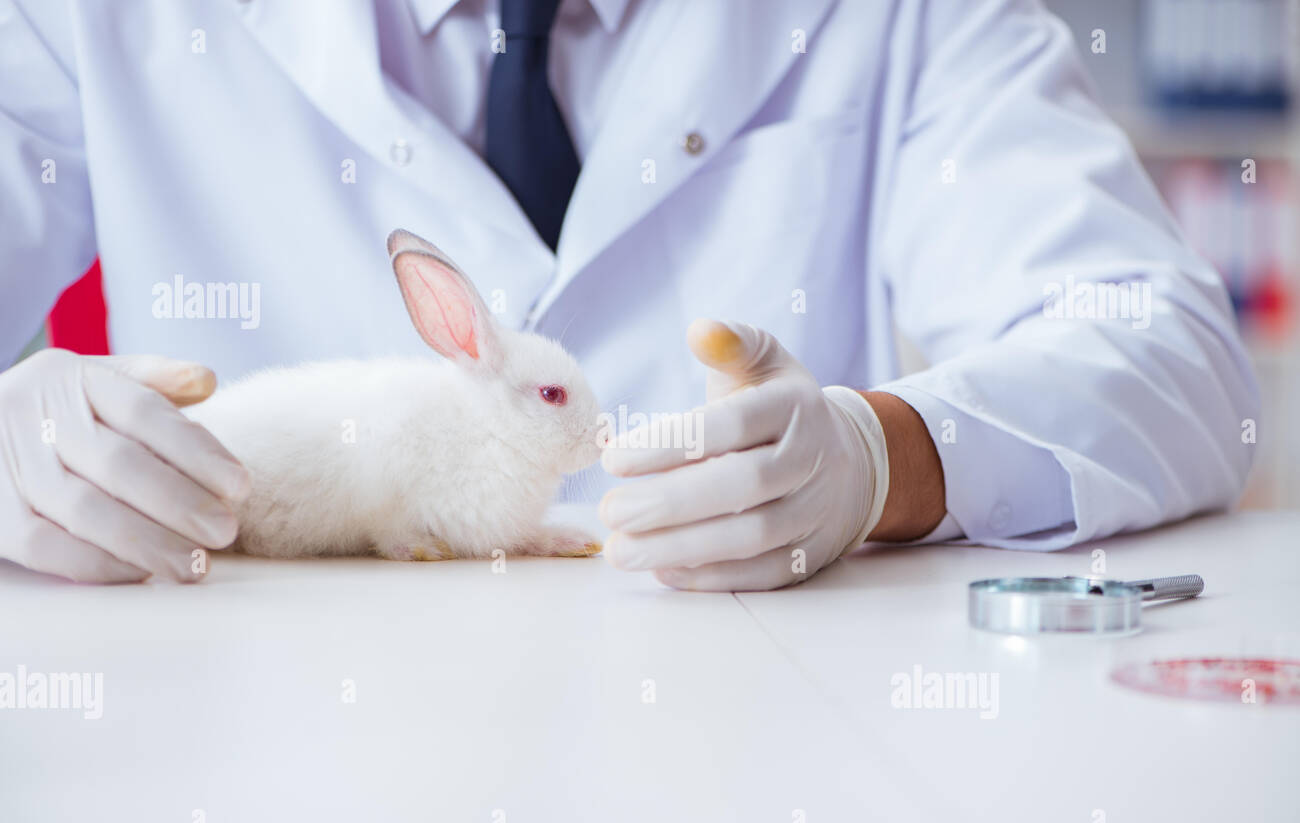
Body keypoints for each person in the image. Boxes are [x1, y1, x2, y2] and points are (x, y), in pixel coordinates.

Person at [0, 0, 1258, 589]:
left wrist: (885, 460)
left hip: (752, 769)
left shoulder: (911, 14)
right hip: (252, 774)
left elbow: (1170, 347)